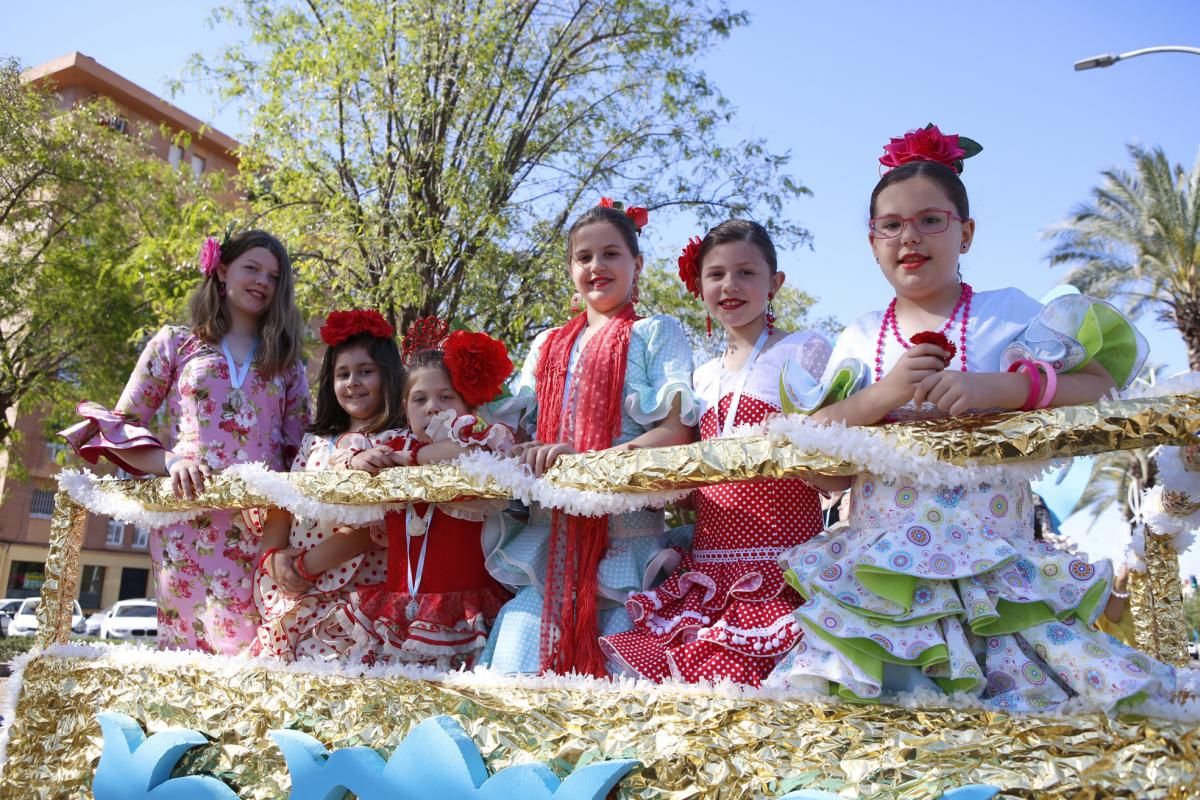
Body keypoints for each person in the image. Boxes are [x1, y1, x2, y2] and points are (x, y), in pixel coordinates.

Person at [768, 125, 1175, 712]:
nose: (910, 237)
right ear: (872, 241)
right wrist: (884, 394)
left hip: (998, 576)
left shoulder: (1006, 314)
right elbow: (823, 471)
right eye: (892, 225)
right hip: (884, 586)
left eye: (931, 220)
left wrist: (1000, 386)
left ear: (967, 232)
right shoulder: (859, 337)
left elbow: (1099, 384)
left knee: (1021, 732)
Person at [601, 219, 844, 685]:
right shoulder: (701, 376)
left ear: (775, 283)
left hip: (781, 569)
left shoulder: (805, 350)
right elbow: (692, 484)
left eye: (746, 273)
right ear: (699, 286)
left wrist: (798, 446)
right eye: (715, 274)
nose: (729, 286)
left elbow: (836, 473)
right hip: (708, 571)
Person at [62, 230, 309, 654]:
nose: (263, 282)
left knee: (256, 647)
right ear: (223, 269)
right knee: (187, 646)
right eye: (252, 268)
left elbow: (301, 452)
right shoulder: (175, 343)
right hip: (186, 522)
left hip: (263, 526)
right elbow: (122, 425)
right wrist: (171, 461)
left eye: (273, 276)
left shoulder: (288, 362)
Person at [480, 200, 698, 676]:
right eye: (584, 257)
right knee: (516, 672)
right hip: (551, 545)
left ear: (636, 265)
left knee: (619, 697)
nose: (596, 266)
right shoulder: (547, 345)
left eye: (611, 254)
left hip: (630, 550)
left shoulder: (654, 334)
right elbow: (515, 428)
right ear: (570, 269)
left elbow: (676, 433)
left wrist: (585, 463)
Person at [314, 316, 516, 668]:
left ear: (468, 406)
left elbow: (460, 452)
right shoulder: (390, 444)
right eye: (419, 399)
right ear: (405, 409)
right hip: (398, 603)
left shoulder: (478, 442)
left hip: (461, 606)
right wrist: (358, 459)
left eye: (445, 396)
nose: (432, 407)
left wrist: (409, 458)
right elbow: (339, 462)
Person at [252, 309, 407, 661]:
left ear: (389, 376)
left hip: (357, 594)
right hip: (297, 589)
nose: (352, 382)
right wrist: (274, 560)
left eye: (365, 372)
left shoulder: (395, 443)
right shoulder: (315, 441)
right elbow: (283, 503)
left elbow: (376, 527)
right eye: (342, 374)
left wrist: (308, 565)